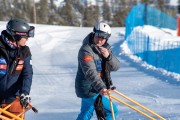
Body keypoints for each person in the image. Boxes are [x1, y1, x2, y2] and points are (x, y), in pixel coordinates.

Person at [75, 22, 120, 120]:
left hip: (96, 88)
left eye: (103, 38)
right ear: (94, 33)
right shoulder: (85, 50)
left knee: (86, 112)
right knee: (112, 111)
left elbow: (116, 67)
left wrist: (108, 56)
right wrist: (101, 87)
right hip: (89, 88)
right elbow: (90, 72)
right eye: (97, 36)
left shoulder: (105, 49)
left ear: (106, 38)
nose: (99, 40)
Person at [0, 18, 35, 118]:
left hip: (13, 101)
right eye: (25, 36)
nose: (27, 39)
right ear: (16, 36)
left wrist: (25, 92)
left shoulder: (25, 51)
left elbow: (27, 74)